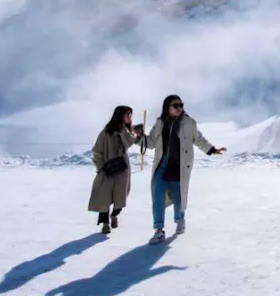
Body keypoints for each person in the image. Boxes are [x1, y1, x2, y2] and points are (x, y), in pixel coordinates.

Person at [141, 94, 227, 245]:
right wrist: (139, 137)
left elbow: (198, 139)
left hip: (178, 165)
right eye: (176, 105)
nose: (179, 108)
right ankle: (159, 230)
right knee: (158, 196)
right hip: (162, 164)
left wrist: (212, 150)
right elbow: (151, 142)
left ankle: (180, 219)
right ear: (167, 108)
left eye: (181, 105)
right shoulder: (160, 123)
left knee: (178, 197)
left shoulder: (189, 122)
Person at [88, 105, 143, 234]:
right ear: (120, 115)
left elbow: (130, 142)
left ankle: (114, 215)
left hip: (122, 168)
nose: (129, 117)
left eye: (130, 115)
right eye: (127, 115)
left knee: (121, 196)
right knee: (104, 197)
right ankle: (105, 224)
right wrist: (101, 167)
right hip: (108, 168)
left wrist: (134, 133)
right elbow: (96, 151)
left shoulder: (125, 131)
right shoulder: (106, 132)